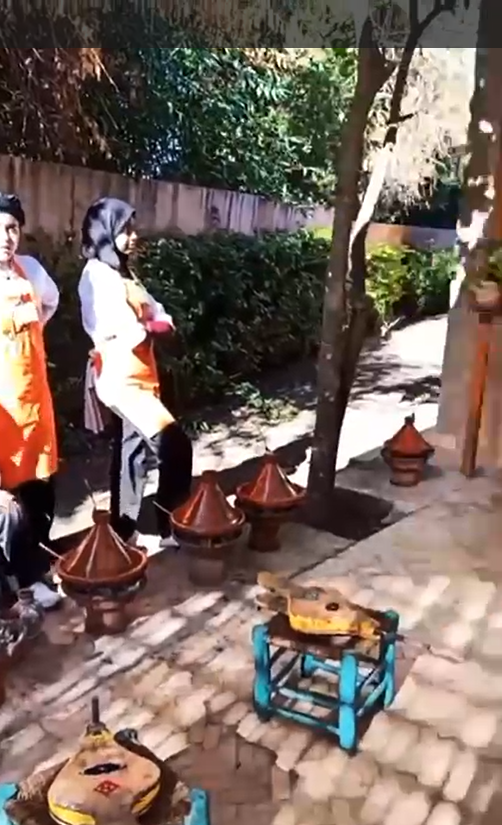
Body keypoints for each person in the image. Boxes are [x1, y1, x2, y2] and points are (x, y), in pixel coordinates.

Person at [78, 197, 193, 549]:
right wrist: (152, 325)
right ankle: (170, 525)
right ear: (105, 232)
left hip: (143, 374)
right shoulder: (95, 274)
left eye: (132, 228)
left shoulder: (124, 272)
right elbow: (124, 328)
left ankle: (124, 531)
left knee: (131, 452)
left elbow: (159, 311)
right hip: (120, 379)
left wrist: (156, 321)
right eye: (125, 229)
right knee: (175, 445)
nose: (133, 236)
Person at [0, 193, 61, 608]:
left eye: (12, 228)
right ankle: (17, 575)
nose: (6, 237)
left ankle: (36, 568)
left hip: (35, 398)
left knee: (42, 487)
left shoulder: (33, 273)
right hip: (3, 408)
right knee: (10, 497)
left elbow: (50, 303)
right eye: (0, 228)